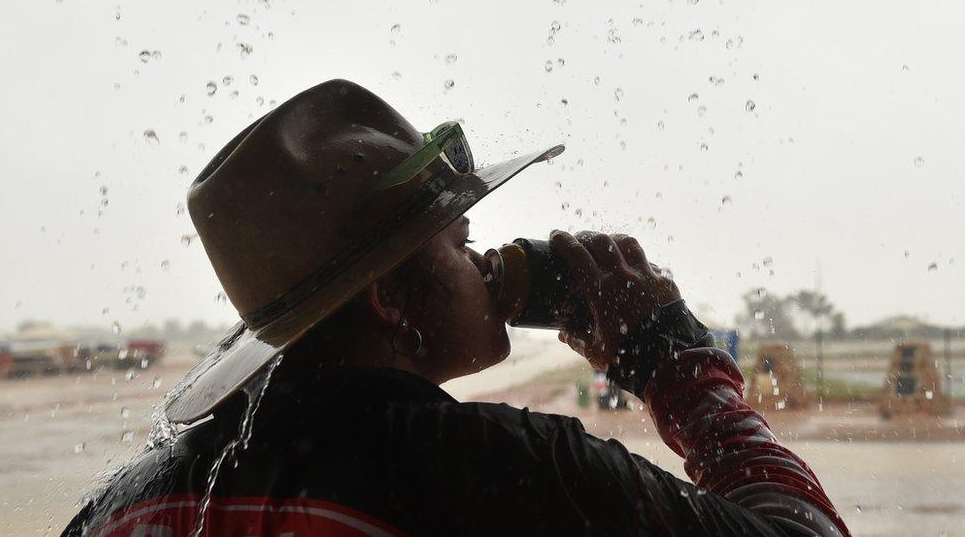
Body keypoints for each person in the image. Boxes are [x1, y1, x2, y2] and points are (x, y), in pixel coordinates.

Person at [63, 79, 850, 536]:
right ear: (391, 298)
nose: (483, 260)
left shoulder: (126, 504)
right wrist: (673, 359)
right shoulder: (484, 469)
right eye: (458, 242)